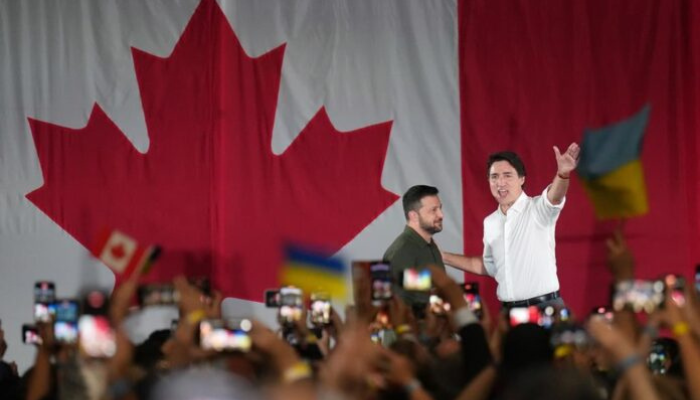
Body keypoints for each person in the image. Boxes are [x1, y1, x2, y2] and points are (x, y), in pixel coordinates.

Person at [442, 144, 580, 308]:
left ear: (522, 179)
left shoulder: (537, 208)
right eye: (494, 177)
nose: (500, 182)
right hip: (508, 312)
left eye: (507, 175)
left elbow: (555, 197)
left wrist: (563, 174)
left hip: (545, 307)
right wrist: (442, 256)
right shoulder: (490, 222)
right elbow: (489, 266)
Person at [384, 185, 446, 306]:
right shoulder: (401, 252)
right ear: (414, 216)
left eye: (440, 208)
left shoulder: (432, 247)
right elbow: (395, 307)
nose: (441, 215)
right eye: (434, 210)